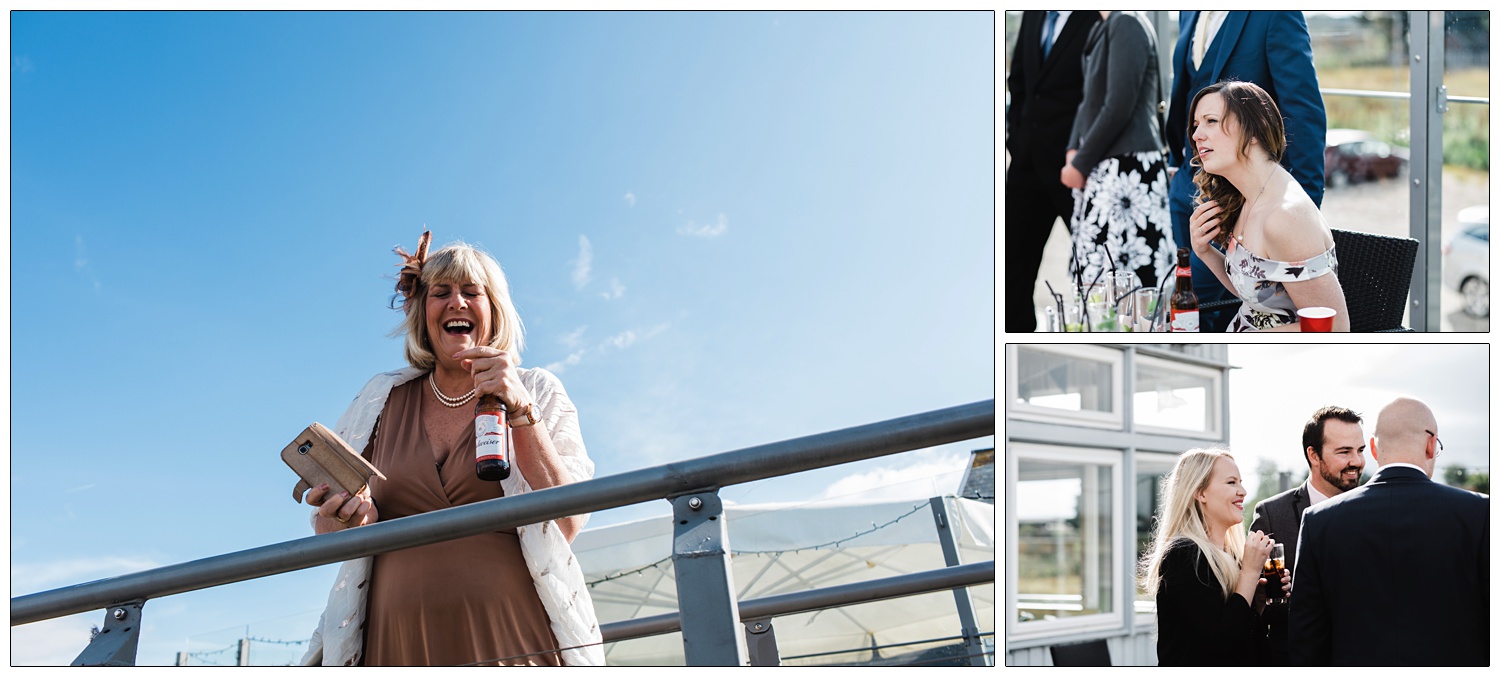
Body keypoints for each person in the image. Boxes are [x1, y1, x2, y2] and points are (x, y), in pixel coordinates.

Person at [299, 231, 604, 666]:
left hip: (512, 634)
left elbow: (569, 522)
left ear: (493, 310)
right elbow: (329, 536)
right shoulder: (381, 399)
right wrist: (350, 516)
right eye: (441, 292)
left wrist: (521, 411)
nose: (456, 303)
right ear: (423, 315)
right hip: (394, 643)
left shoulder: (537, 389)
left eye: (471, 292)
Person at [1289, 397, 1488, 666]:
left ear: (1373, 448)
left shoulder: (1318, 521)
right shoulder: (1481, 513)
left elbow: (1306, 639)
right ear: (1431, 445)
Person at [1165, 11, 1326, 331]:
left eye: (1209, 122)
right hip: (1189, 182)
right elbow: (1186, 90)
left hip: (1245, 196)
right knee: (1188, 301)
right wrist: (1177, 164)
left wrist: (1294, 211)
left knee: (1205, 313)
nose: (1199, 131)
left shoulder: (1275, 13)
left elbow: (1302, 109)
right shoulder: (1187, 12)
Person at [1185, 80, 1350, 331]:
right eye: (1196, 125)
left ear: (1254, 130)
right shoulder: (1248, 196)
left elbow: (1333, 328)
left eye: (1211, 121)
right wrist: (1204, 252)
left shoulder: (1284, 218)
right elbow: (1257, 295)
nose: (1196, 135)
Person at [1061, 11, 1175, 296]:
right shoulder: (1104, 27)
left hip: (1129, 172)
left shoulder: (1127, 22)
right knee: (1102, 283)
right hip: (1109, 169)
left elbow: (1118, 105)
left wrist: (1080, 163)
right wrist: (1073, 150)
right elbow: (1087, 101)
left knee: (1131, 286)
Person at [1140, 448, 1288, 665]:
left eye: (1240, 482)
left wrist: (1258, 598)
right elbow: (1219, 642)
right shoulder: (1182, 554)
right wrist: (1250, 572)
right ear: (1200, 493)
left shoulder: (1232, 555)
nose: (1243, 491)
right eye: (1231, 483)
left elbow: (1244, 634)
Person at [1006, 10, 1101, 332]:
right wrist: (1015, 140)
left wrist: (1082, 158)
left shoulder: (1098, 17)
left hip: (1076, 171)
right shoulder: (1033, 14)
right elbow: (1018, 80)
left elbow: (1099, 94)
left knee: (1094, 268)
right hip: (1024, 168)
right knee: (1010, 272)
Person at [1248, 406, 1365, 665]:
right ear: (1313, 454)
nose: (1356, 461)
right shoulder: (1271, 514)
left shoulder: (1375, 510)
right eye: (1344, 451)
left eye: (1360, 450)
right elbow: (1254, 608)